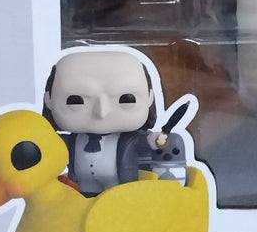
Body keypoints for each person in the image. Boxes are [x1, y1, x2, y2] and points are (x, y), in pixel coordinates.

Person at [42, 50, 165, 195]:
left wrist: (157, 140)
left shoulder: (130, 140)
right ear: (48, 99)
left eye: (125, 99)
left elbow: (147, 142)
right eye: (75, 101)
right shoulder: (72, 140)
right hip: (81, 187)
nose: (102, 112)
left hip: (119, 188)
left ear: (150, 97)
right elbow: (51, 147)